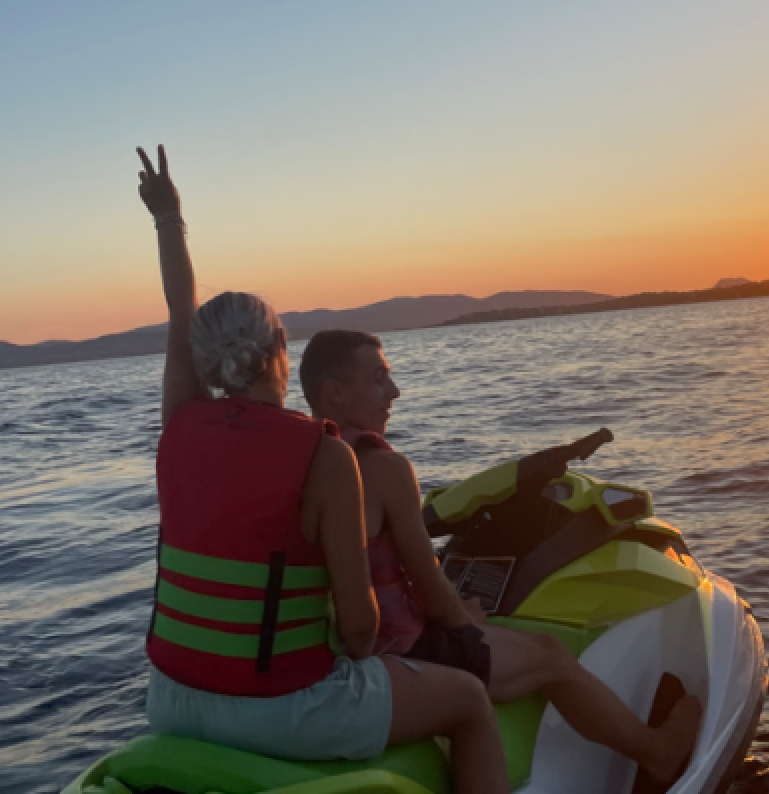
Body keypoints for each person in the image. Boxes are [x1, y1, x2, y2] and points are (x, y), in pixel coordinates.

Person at [134, 145, 508, 794]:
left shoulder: (180, 424)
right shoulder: (324, 454)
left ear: (209, 360)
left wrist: (168, 218)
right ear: (283, 354)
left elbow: (178, 312)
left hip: (171, 700)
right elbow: (360, 629)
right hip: (286, 708)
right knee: (471, 703)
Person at [299, 329, 704, 786]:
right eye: (378, 379)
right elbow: (429, 585)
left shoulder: (303, 461)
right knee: (548, 655)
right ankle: (658, 752)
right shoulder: (382, 468)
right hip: (398, 649)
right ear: (334, 392)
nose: (394, 391)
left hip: (332, 651)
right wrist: (464, 621)